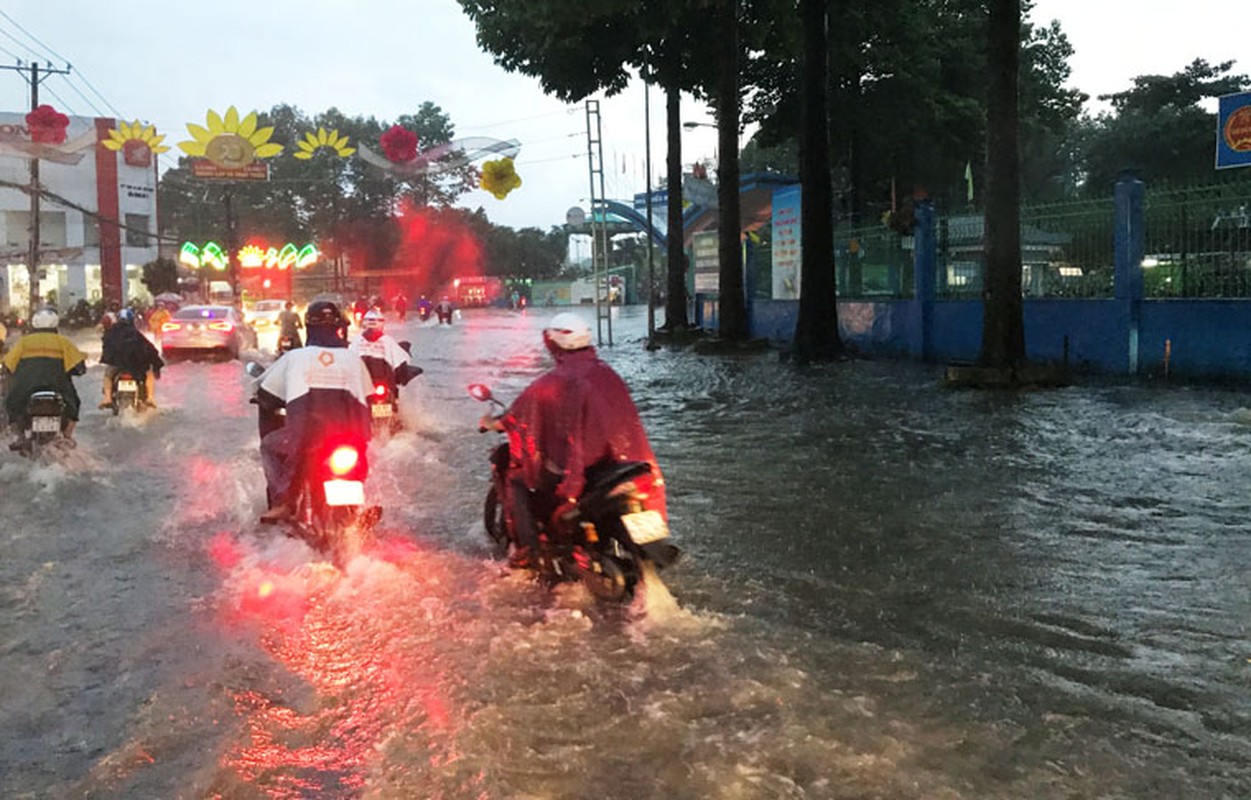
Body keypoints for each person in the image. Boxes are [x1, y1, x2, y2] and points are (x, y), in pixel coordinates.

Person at [479, 312, 668, 567]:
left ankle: (530, 552)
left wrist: (492, 422)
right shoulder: (607, 374)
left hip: (579, 468)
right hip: (618, 463)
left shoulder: (554, 380)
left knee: (517, 480)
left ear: (553, 343)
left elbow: (519, 416)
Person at [252, 299, 374, 523]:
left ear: (309, 325)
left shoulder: (295, 357)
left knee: (269, 446)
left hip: (305, 438)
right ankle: (354, 510)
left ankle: (283, 501)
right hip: (348, 438)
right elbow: (368, 396)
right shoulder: (353, 359)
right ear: (338, 325)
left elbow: (266, 393)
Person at [3, 307, 87, 446]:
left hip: (26, 387)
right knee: (74, 404)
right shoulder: (63, 342)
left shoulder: (24, 342)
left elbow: (8, 366)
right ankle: (67, 436)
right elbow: (79, 367)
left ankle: (19, 436)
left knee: (11, 403)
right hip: (59, 387)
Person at [99, 308, 164, 409]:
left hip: (117, 365)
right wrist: (157, 364)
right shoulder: (136, 334)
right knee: (149, 373)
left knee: (108, 375)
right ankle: (150, 397)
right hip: (136, 366)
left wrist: (108, 359)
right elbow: (150, 350)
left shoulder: (110, 334)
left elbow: (106, 350)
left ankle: (107, 398)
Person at [349, 309, 420, 388]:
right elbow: (401, 360)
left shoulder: (357, 340)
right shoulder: (388, 340)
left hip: (363, 384)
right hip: (382, 383)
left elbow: (348, 359)